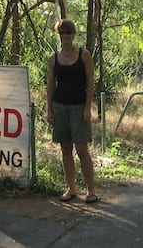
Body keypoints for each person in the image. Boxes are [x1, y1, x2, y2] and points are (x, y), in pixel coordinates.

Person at [46, 19, 99, 203]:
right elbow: (51, 84)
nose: (66, 36)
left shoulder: (83, 55)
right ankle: (72, 189)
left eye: (69, 33)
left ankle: (91, 191)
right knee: (65, 149)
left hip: (78, 108)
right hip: (60, 107)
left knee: (82, 149)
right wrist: (49, 109)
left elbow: (91, 81)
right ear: (58, 36)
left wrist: (87, 107)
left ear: (73, 35)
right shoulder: (53, 58)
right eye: (62, 33)